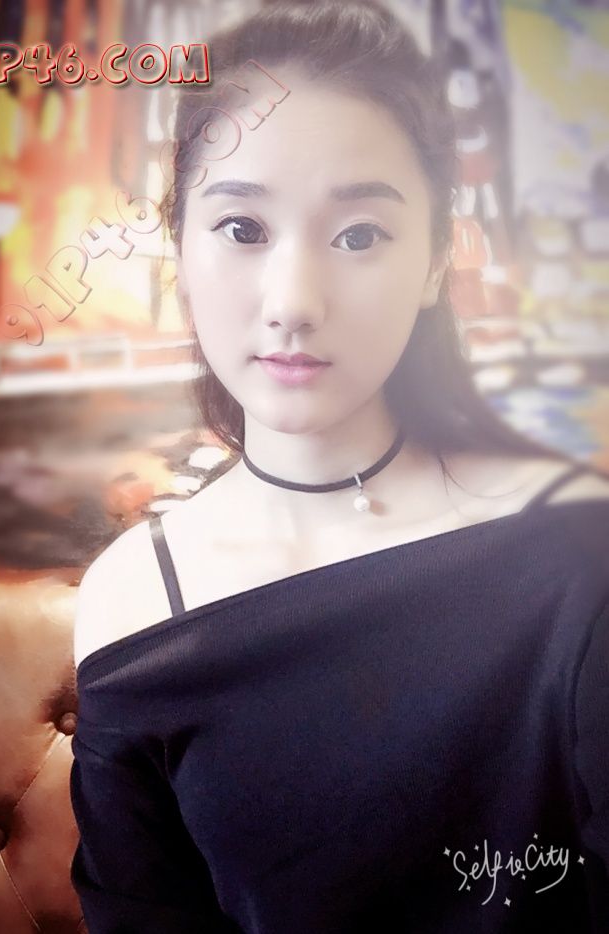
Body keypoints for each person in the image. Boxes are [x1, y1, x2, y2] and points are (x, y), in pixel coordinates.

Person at [69, 2, 609, 931]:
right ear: (179, 248)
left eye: (359, 235)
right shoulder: (137, 602)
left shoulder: (571, 545)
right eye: (243, 229)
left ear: (434, 261)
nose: (294, 302)